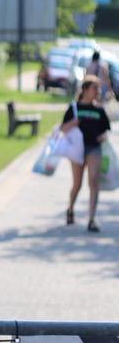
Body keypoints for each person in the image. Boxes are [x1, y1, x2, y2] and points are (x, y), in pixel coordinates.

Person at [63, 75, 111, 232]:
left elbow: (106, 131)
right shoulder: (74, 108)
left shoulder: (99, 110)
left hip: (94, 148)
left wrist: (103, 137)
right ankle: (70, 209)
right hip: (77, 149)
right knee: (77, 184)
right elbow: (63, 129)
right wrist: (73, 123)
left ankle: (91, 219)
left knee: (94, 181)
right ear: (84, 90)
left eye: (98, 88)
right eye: (94, 88)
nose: (97, 92)